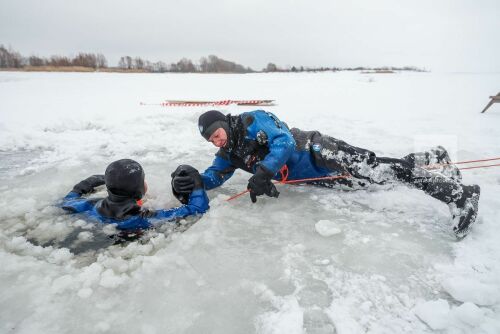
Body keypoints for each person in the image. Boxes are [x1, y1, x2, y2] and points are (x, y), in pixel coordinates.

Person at [172, 110, 480, 238]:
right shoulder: (229, 154)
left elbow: (286, 141)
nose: (217, 140)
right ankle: (434, 157)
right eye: (211, 140)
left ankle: (459, 195)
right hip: (313, 177)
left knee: (378, 170)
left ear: (224, 124)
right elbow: (215, 175)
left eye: (217, 134)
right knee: (380, 176)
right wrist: (195, 179)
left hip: (319, 151)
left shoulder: (252, 121)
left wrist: (263, 172)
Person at [62, 159, 208, 230]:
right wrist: (195, 181)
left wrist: (88, 183)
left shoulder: (88, 205)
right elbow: (197, 210)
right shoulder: (141, 218)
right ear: (139, 190)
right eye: (143, 180)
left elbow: (67, 201)